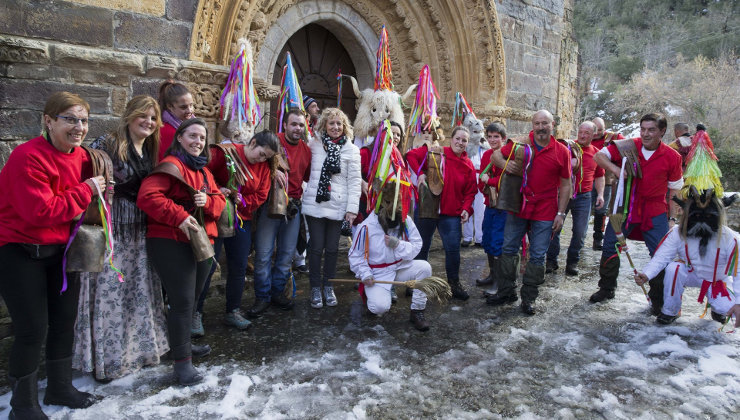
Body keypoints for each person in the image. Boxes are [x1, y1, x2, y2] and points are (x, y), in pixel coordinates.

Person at [0, 92, 101, 418]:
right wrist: (87, 190)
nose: (79, 127)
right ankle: (23, 405)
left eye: (83, 120)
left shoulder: (82, 157)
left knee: (64, 322)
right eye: (70, 119)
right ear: (49, 120)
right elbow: (40, 212)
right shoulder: (27, 156)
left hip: (61, 251)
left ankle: (60, 387)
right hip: (19, 250)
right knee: (32, 329)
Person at [73, 95, 169, 383]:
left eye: (153, 118)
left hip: (140, 231)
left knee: (138, 291)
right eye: (144, 115)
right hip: (112, 228)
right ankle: (109, 360)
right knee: (110, 293)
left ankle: (138, 353)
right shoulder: (107, 145)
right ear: (129, 115)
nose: (149, 122)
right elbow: (86, 180)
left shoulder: (152, 152)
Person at [137, 118, 226, 386]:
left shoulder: (204, 171)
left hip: (199, 242)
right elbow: (148, 197)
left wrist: (208, 200)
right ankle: (182, 365)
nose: (198, 142)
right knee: (183, 301)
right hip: (170, 240)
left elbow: (220, 203)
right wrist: (179, 216)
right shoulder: (172, 166)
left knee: (193, 297)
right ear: (179, 138)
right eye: (192, 136)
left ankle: (181, 345)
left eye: (202, 138)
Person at [590, 113, 683, 312]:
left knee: (660, 254)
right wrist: (615, 169)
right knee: (609, 247)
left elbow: (674, 189)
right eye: (643, 129)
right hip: (624, 208)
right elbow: (598, 156)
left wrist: (672, 219)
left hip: (655, 211)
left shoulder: (672, 157)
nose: (646, 134)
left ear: (662, 132)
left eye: (651, 130)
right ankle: (607, 288)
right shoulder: (628, 146)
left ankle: (657, 299)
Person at [486, 110, 572, 315]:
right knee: (508, 249)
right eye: (537, 123)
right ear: (532, 125)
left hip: (545, 209)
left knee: (538, 255)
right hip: (519, 206)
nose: (541, 127)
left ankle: (529, 298)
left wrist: (560, 214)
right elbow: (496, 155)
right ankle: (507, 292)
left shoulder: (562, 151)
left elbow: (566, 185)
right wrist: (507, 166)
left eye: (545, 123)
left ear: (553, 125)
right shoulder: (520, 144)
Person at [193, 130, 277, 331]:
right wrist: (217, 189)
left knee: (238, 266)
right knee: (209, 266)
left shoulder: (263, 167)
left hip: (242, 219)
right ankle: (196, 313)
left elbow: (261, 195)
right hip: (217, 216)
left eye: (267, 157)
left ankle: (233, 311)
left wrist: (243, 201)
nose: (262, 159)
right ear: (253, 142)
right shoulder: (225, 153)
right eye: (261, 153)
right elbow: (202, 174)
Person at [636, 188, 739, 326]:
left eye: (708, 217)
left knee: (730, 311)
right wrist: (647, 274)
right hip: (690, 273)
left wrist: (739, 303)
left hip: (717, 280)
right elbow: (662, 257)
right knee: (673, 268)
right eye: (696, 217)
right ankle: (670, 311)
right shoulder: (677, 233)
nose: (702, 221)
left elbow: (739, 271)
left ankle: (717, 309)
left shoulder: (732, 239)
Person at [249, 110, 311, 317]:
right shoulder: (272, 143)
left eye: (301, 125)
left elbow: (309, 176)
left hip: (293, 206)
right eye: (293, 124)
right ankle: (262, 296)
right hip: (270, 204)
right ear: (284, 125)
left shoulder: (306, 150)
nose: (297, 129)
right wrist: (272, 171)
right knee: (264, 253)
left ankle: (277, 293)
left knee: (286, 255)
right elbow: (255, 161)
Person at [406, 126, 478, 301]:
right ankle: (416, 284)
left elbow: (471, 191)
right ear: (451, 139)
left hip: (451, 213)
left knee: (453, 249)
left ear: (467, 144)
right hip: (427, 209)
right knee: (421, 247)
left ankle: (454, 285)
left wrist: (466, 209)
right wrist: (420, 174)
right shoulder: (437, 152)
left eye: (464, 140)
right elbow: (410, 156)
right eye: (458, 139)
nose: (460, 143)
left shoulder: (468, 165)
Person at [349, 181, 432, 331]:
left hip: (400, 267)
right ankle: (371, 296)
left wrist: (398, 245)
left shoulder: (405, 220)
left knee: (424, 268)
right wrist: (365, 274)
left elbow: (417, 245)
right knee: (380, 308)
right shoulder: (366, 227)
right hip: (378, 273)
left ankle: (417, 311)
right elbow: (355, 255)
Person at [302, 108, 362, 308]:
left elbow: (354, 181)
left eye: (339, 124)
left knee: (333, 249)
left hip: (338, 205)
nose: (336, 127)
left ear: (344, 127)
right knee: (316, 247)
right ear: (324, 125)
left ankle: (328, 286)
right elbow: (303, 168)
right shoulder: (314, 144)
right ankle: (315, 287)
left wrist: (352, 209)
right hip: (316, 204)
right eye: (332, 123)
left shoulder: (352, 150)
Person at [545, 121, 605, 276]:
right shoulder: (567, 148)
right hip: (563, 194)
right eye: (581, 132)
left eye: (587, 133)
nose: (583, 135)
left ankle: (572, 262)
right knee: (555, 228)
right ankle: (551, 261)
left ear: (594, 135)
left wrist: (600, 194)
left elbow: (600, 176)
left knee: (580, 232)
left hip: (584, 197)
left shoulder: (597, 153)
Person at [476, 122, 509, 288]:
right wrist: (485, 184)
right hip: (490, 204)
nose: (492, 139)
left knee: (498, 241)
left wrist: (491, 181)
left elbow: (507, 179)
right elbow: (482, 177)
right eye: (489, 136)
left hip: (504, 207)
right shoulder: (486, 154)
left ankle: (499, 280)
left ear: (503, 138)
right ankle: (492, 274)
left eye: (496, 136)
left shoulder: (508, 155)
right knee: (487, 238)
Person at [591, 117, 625, 250]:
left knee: (602, 209)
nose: (597, 133)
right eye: (595, 130)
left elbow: (628, 149)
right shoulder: (586, 136)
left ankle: (598, 238)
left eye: (601, 130)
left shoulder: (614, 138)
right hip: (588, 179)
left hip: (606, 180)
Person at [158, 80, 195, 161]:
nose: (189, 111)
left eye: (191, 105)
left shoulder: (192, 126)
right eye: (183, 107)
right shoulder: (167, 131)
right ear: (169, 106)